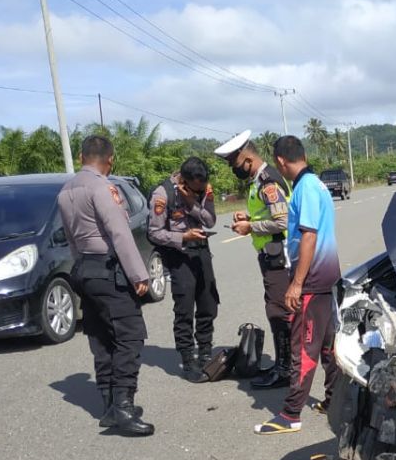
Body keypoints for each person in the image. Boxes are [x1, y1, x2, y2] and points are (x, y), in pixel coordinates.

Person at [57, 135, 154, 436]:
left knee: (101, 337)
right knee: (129, 335)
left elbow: (71, 239)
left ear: (83, 156)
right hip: (108, 268)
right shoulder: (102, 187)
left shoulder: (65, 190)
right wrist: (139, 275)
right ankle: (124, 407)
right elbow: (120, 232)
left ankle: (110, 405)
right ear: (109, 159)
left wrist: (83, 266)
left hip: (84, 268)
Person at [254, 135, 341, 435]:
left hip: (313, 280)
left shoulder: (304, 188)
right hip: (329, 277)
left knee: (303, 347)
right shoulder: (318, 184)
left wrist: (296, 284)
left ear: (280, 161)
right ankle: (336, 400)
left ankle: (291, 413)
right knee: (329, 347)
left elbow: (309, 236)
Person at [215, 134, 292, 390]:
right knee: (277, 309)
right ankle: (284, 364)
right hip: (271, 254)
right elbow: (271, 213)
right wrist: (249, 216)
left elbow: (283, 222)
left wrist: (251, 227)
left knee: (278, 311)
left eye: (234, 163)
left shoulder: (268, 182)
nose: (233, 169)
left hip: (278, 256)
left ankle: (285, 370)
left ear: (247, 159)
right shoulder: (259, 180)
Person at [147, 156, 219, 381]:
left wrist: (192, 203)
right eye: (195, 188)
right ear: (184, 180)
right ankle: (188, 359)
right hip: (179, 256)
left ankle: (205, 353)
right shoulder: (163, 194)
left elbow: (210, 221)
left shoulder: (204, 189)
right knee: (184, 309)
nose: (201, 190)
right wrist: (183, 237)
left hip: (202, 252)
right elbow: (154, 233)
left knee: (208, 304)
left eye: (202, 187)